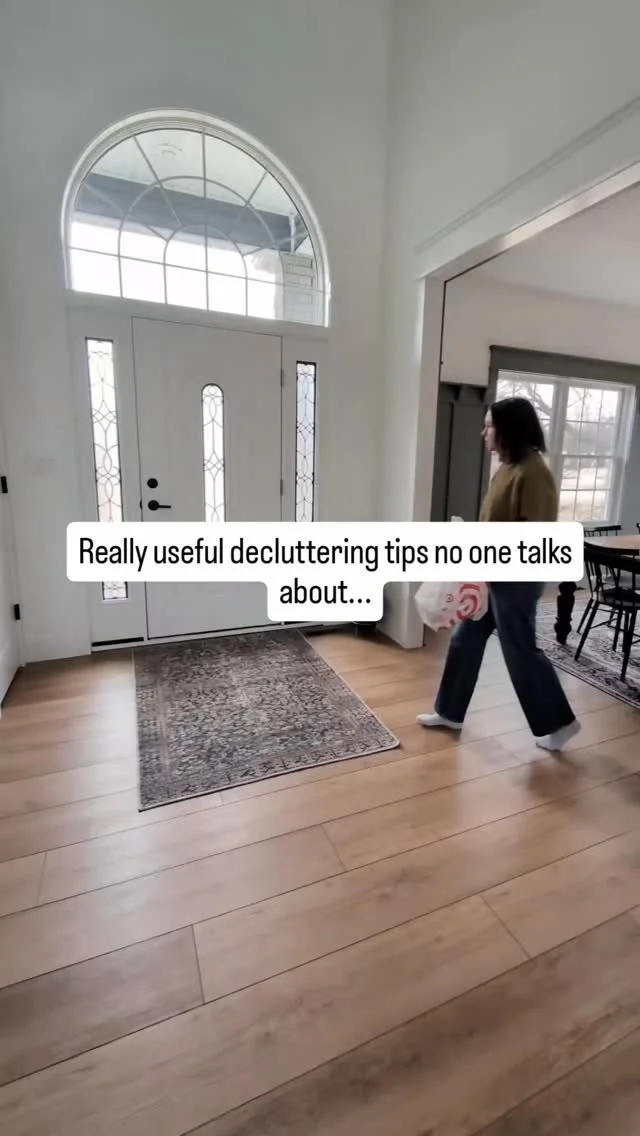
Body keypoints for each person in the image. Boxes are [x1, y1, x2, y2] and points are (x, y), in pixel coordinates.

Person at [418, 396, 581, 751]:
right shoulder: (507, 468)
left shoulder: (534, 473)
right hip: (493, 573)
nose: (484, 432)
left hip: (516, 580)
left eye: (489, 425)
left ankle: (560, 723)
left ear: (509, 430)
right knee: (465, 639)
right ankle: (449, 712)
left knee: (519, 649)